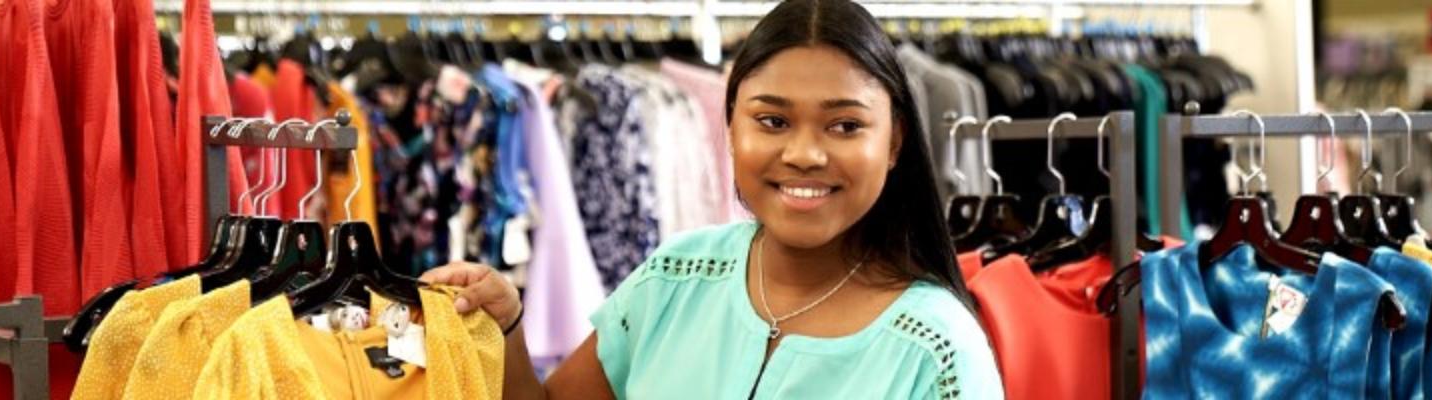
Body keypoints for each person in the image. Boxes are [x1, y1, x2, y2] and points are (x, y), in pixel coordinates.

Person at [417, 0, 1005, 398]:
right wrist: (508, 327)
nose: (804, 153)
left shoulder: (938, 350)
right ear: (730, 129)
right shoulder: (676, 278)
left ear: (895, 142)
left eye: (845, 126)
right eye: (772, 121)